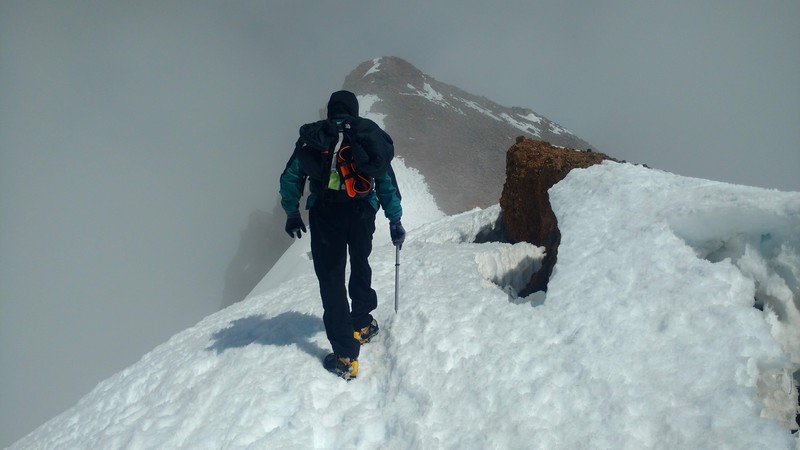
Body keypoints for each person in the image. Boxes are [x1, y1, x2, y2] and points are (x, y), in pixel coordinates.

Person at [279, 90, 405, 380]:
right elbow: (385, 178)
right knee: (361, 264)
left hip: (326, 215)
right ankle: (361, 324)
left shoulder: (315, 138)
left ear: (330, 111)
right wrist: (394, 219)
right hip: (362, 214)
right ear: (354, 110)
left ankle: (346, 356)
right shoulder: (366, 137)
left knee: (332, 280)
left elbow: (291, 178)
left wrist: (292, 213)